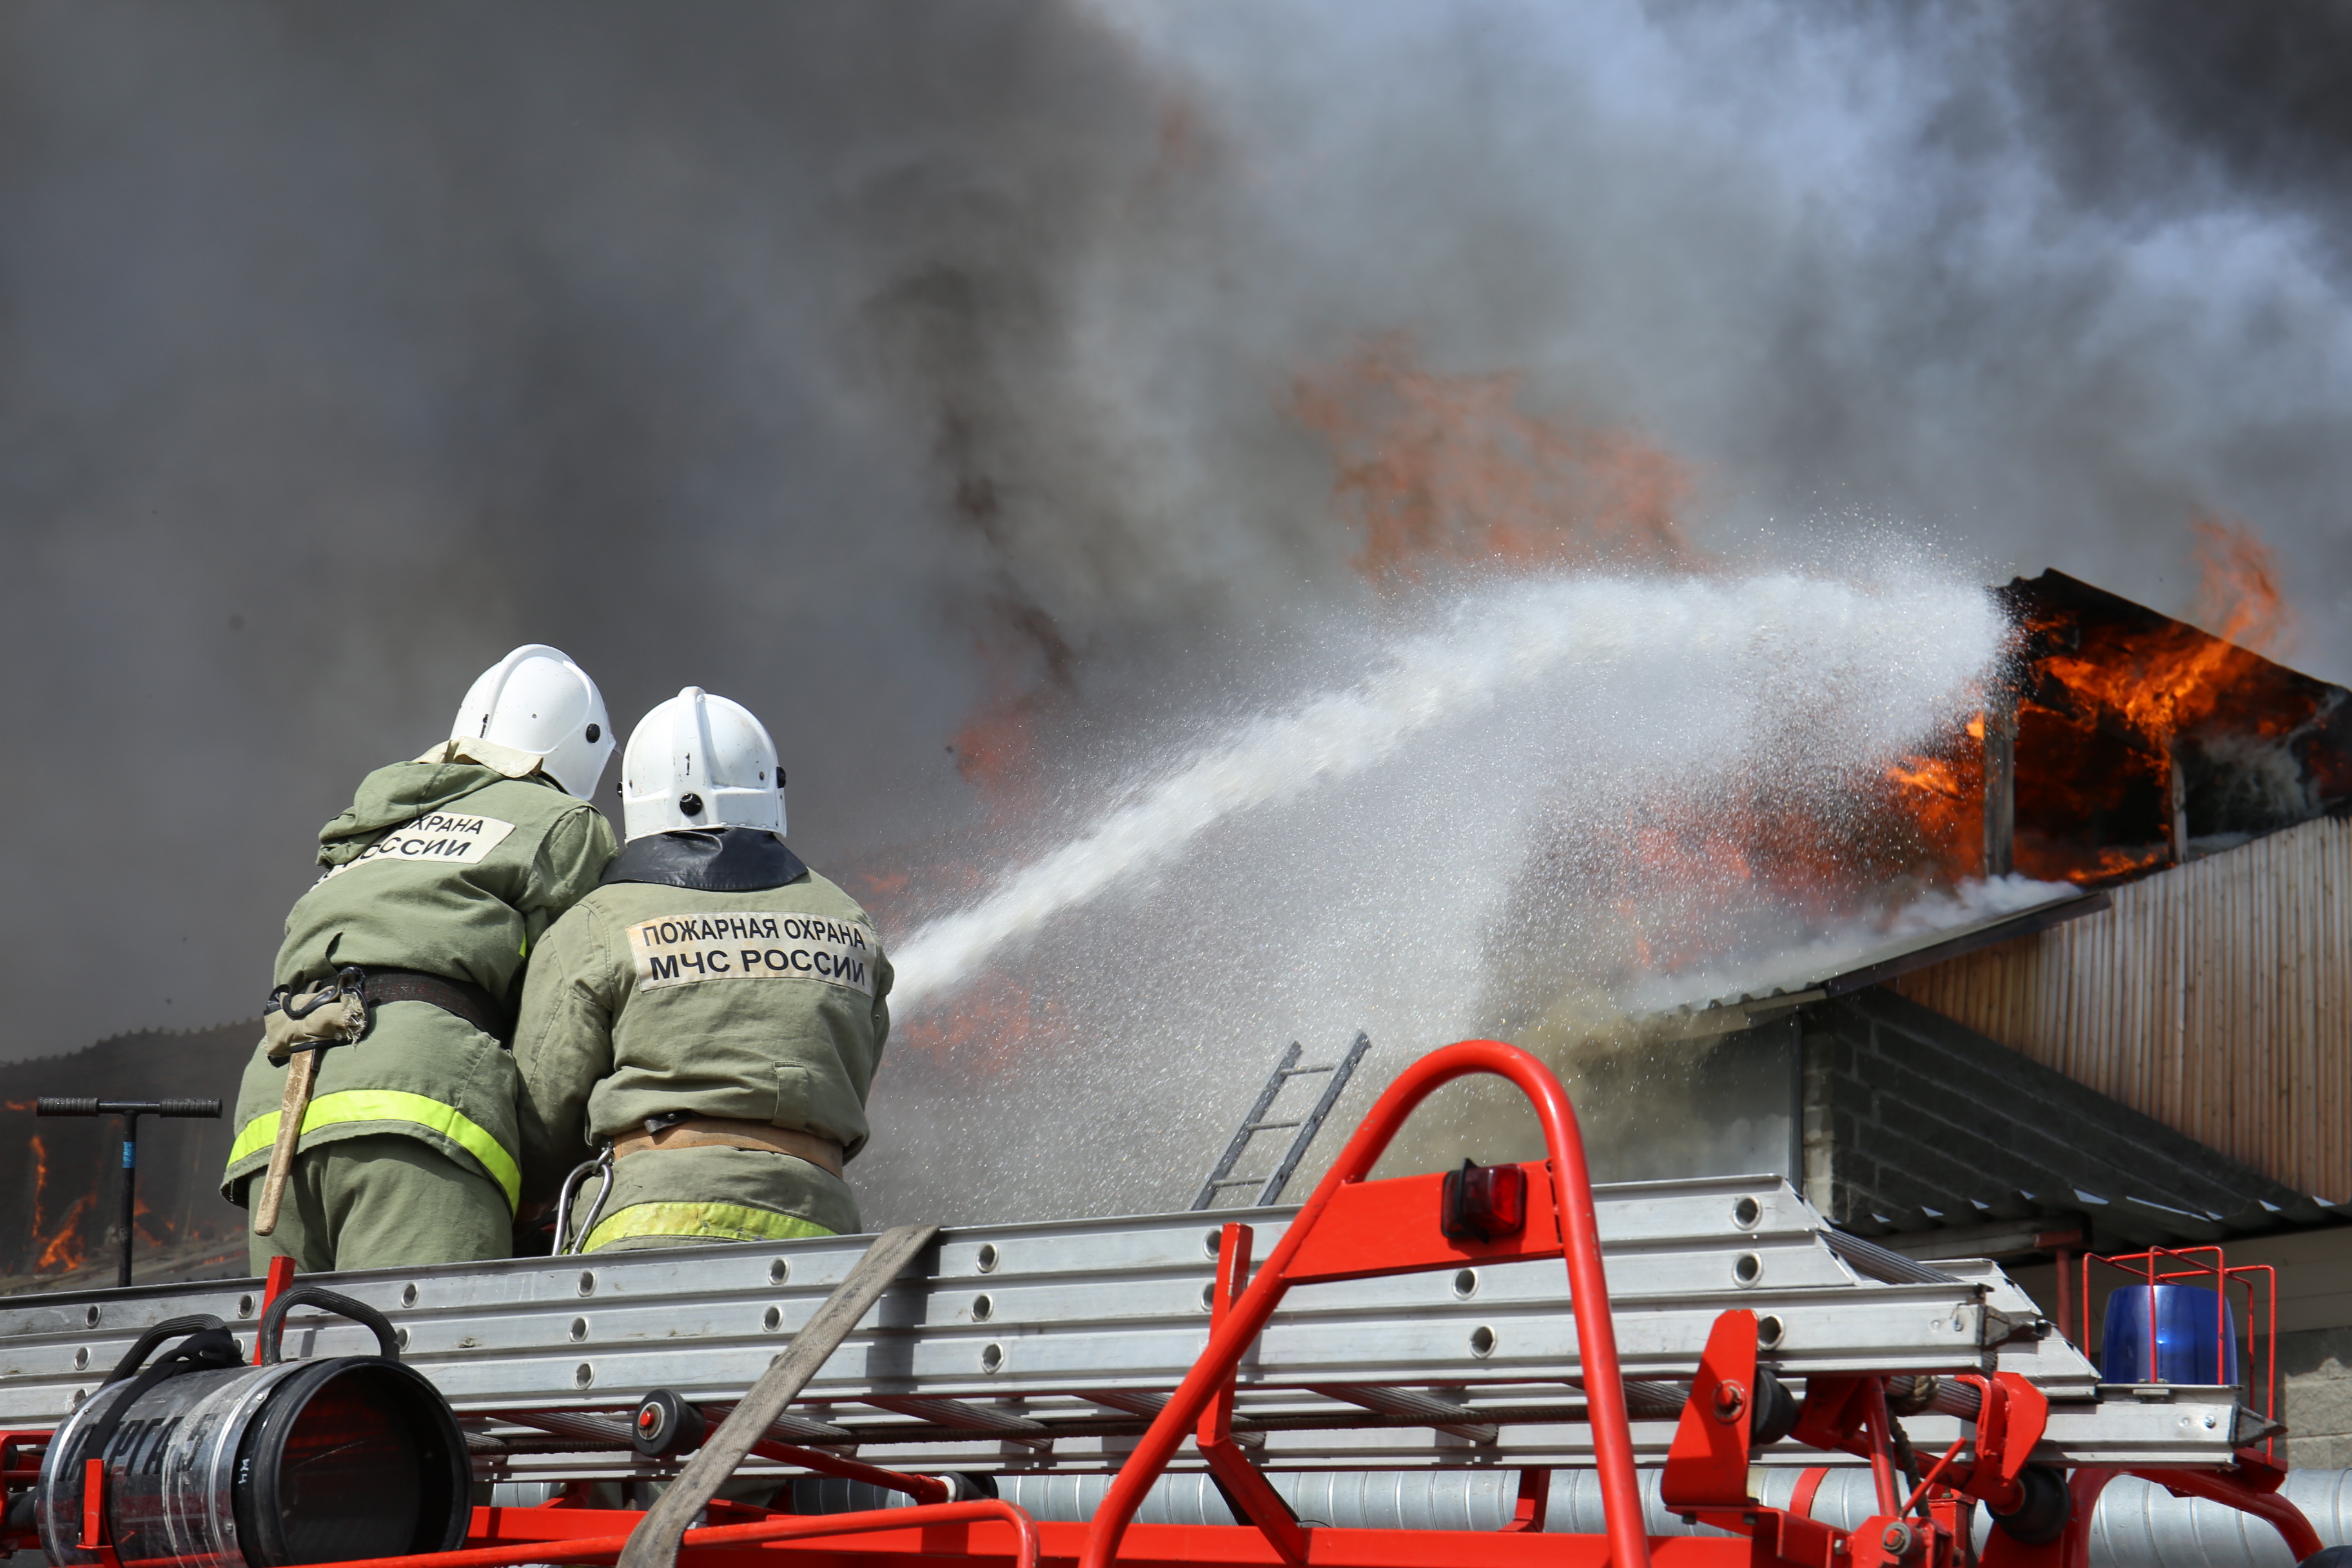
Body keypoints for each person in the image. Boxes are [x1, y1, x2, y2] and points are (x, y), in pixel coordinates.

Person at [221, 644, 620, 1271]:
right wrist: (540, 1173)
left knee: (292, 1363)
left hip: (275, 1110)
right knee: (426, 1360)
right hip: (416, 1100)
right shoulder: (562, 821)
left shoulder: (378, 826)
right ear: (583, 750)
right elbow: (564, 1011)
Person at [513, 687, 889, 1252]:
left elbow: (541, 1122)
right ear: (770, 789)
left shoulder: (597, 922)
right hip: (817, 1230)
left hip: (644, 1228)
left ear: (634, 798)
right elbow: (850, 1078)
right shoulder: (848, 919)